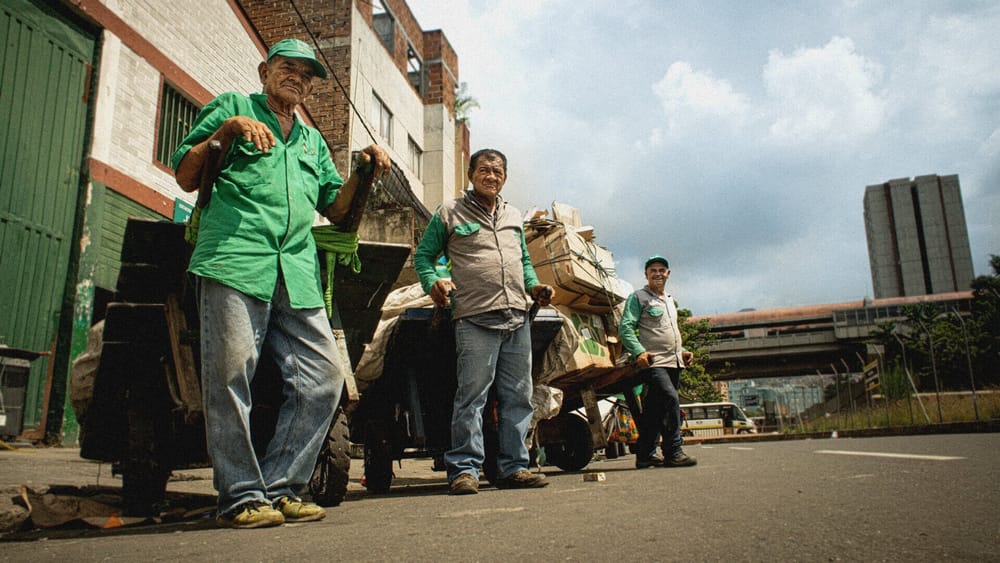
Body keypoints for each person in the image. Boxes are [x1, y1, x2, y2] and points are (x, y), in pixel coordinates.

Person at [172, 38, 390, 528]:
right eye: (287, 68)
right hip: (235, 258)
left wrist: (364, 167)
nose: (298, 78)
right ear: (264, 70)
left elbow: (336, 208)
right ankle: (240, 496)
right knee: (231, 376)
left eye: (307, 74)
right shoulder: (233, 107)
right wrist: (227, 133)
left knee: (325, 379)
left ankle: (281, 486)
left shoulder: (312, 141)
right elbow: (186, 175)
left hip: (296, 271)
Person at [413, 148, 554, 495]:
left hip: (517, 316)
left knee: (518, 398)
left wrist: (534, 285)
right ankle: (464, 470)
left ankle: (512, 468)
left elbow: (522, 260)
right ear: (471, 174)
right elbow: (424, 256)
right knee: (471, 398)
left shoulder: (513, 215)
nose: (492, 176)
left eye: (498, 171)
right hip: (474, 318)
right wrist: (435, 283)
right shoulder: (450, 211)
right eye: (485, 170)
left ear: (505, 177)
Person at [619, 255, 698, 469]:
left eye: (662, 270)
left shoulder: (670, 300)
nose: (658, 274)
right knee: (671, 400)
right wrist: (639, 352)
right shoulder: (639, 297)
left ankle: (645, 454)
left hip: (674, 362)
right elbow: (625, 328)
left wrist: (682, 351)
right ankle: (673, 451)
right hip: (653, 362)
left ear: (668, 274)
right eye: (653, 270)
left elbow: (669, 332)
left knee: (654, 410)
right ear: (646, 275)